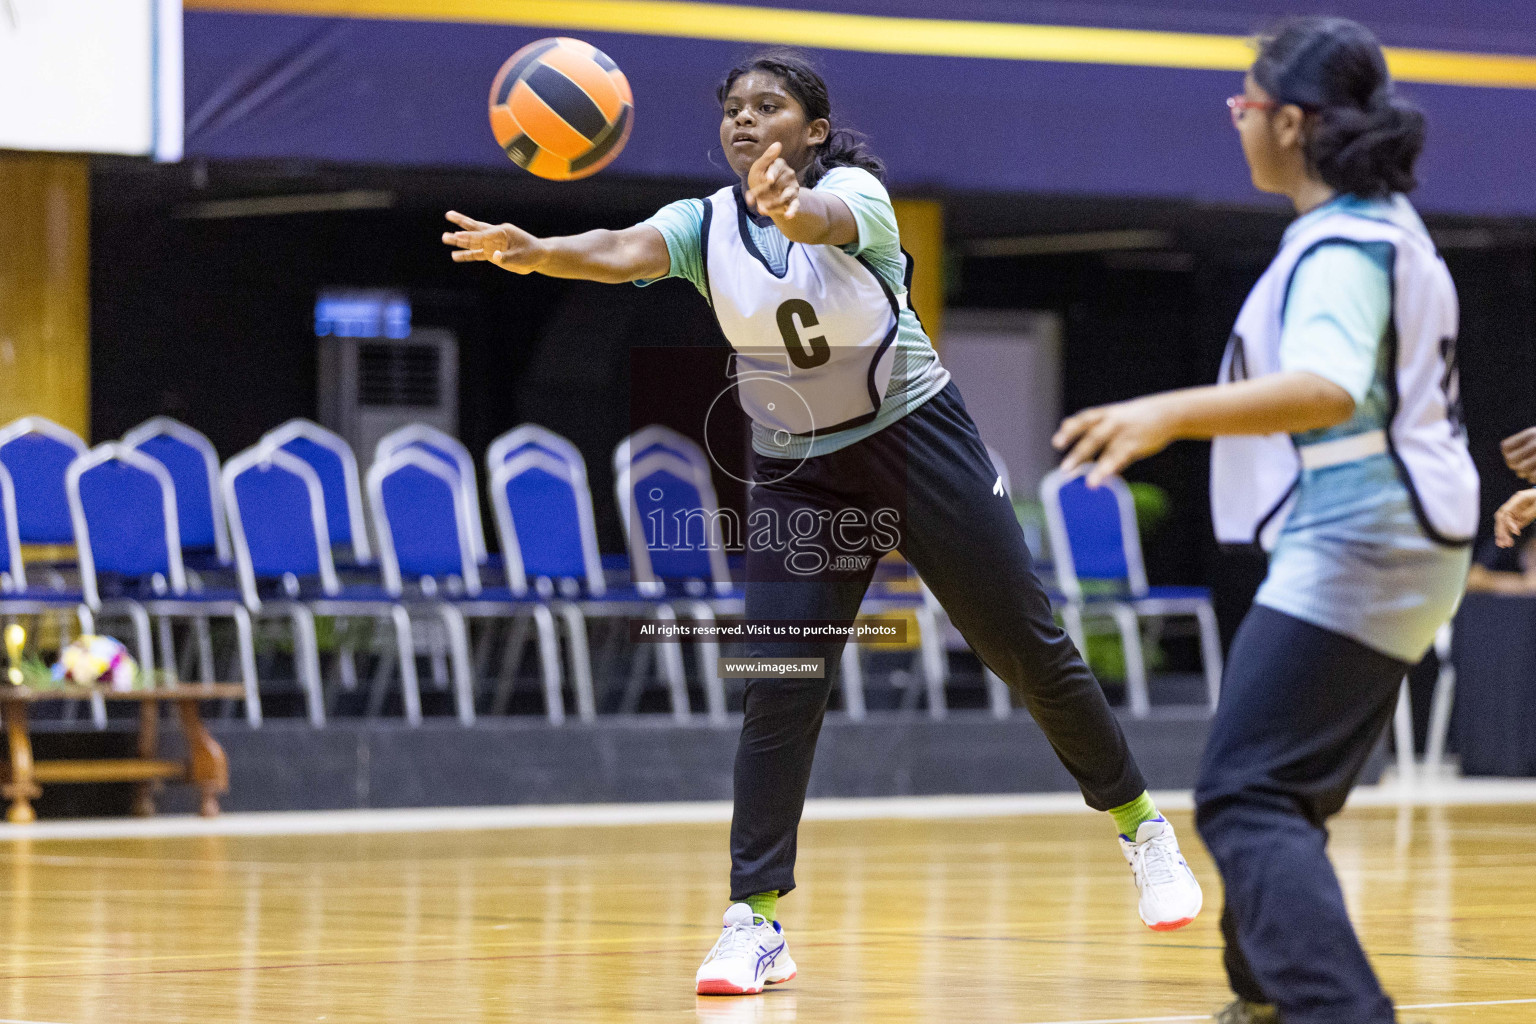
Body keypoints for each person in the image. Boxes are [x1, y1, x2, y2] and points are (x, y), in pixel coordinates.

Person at [443, 49, 1201, 997]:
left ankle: (1143, 828)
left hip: (916, 440)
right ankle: (752, 920)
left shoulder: (857, 195)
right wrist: (540, 250)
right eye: (732, 109)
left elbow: (818, 217)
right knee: (781, 682)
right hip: (800, 470)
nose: (746, 120)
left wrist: (790, 206)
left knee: (1027, 648)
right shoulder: (702, 224)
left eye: (770, 106)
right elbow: (620, 249)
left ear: (812, 129)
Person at [1052, 18, 1477, 1024]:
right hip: (1400, 540)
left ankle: (1333, 1009)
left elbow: (1327, 387)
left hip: (1364, 538)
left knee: (1247, 797)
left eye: (1244, 103)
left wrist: (1165, 412)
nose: (1236, 119)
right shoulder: (1387, 226)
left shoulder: (1342, 241)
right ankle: (1265, 999)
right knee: (1276, 792)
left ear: (1290, 121)